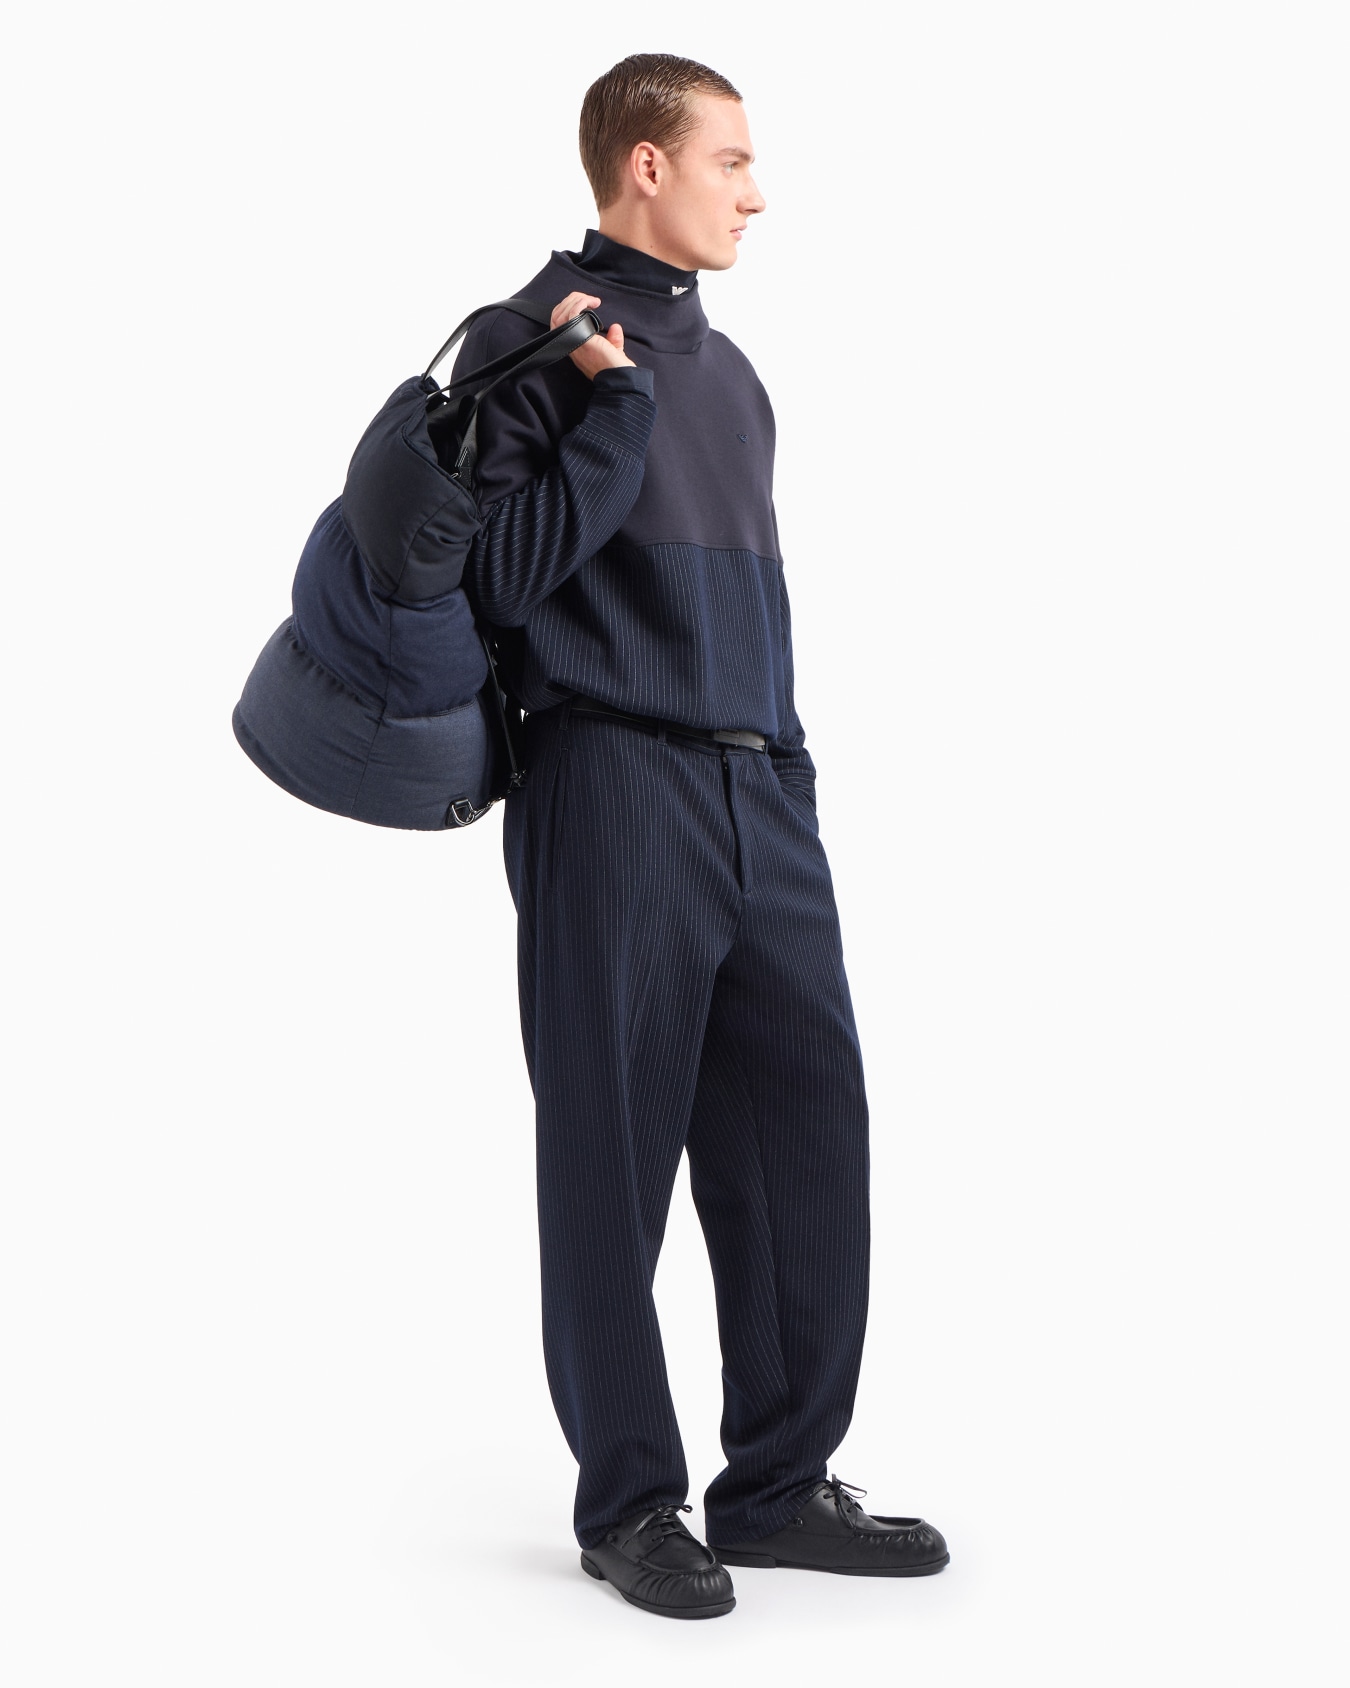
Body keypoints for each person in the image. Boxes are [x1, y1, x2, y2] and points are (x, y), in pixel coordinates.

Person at [449, 52, 948, 1619]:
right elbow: (494, 580)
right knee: (610, 1149)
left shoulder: (728, 374)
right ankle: (628, 1503)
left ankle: (779, 1486)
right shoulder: (527, 339)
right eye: (730, 159)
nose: (756, 191)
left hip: (760, 781)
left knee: (808, 1128)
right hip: (608, 776)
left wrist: (783, 765)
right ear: (644, 166)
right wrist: (609, 413)